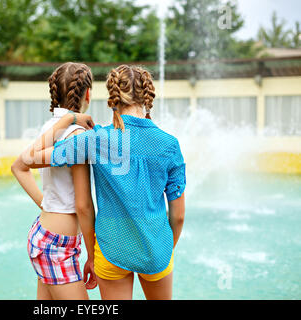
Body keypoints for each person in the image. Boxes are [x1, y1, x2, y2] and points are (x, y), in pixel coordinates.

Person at [20, 64, 186, 300]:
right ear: (147, 96)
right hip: (156, 249)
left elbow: (28, 158)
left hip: (111, 250)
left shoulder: (95, 139)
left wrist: (68, 120)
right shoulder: (170, 145)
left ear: (113, 97)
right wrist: (164, 249)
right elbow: (178, 216)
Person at [11, 62, 97, 300]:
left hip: (44, 234)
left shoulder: (50, 127)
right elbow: (83, 205)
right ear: (87, 93)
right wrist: (92, 257)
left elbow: (18, 168)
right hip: (57, 247)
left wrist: (46, 204)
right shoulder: (78, 134)